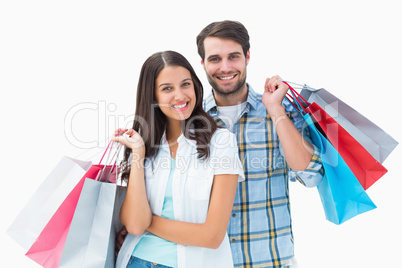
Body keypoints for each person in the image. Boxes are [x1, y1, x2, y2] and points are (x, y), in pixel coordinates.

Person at [197, 20, 324, 268]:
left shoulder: (280, 111)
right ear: (202, 63)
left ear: (247, 57)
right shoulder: (191, 121)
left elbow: (311, 176)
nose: (225, 67)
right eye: (214, 59)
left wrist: (276, 111)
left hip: (270, 262)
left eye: (233, 56)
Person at [113, 50, 245, 268]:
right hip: (135, 261)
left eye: (185, 84)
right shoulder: (143, 145)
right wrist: (137, 153)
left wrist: (147, 221)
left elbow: (211, 236)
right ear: (153, 97)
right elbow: (135, 227)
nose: (180, 95)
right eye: (167, 89)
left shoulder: (221, 142)